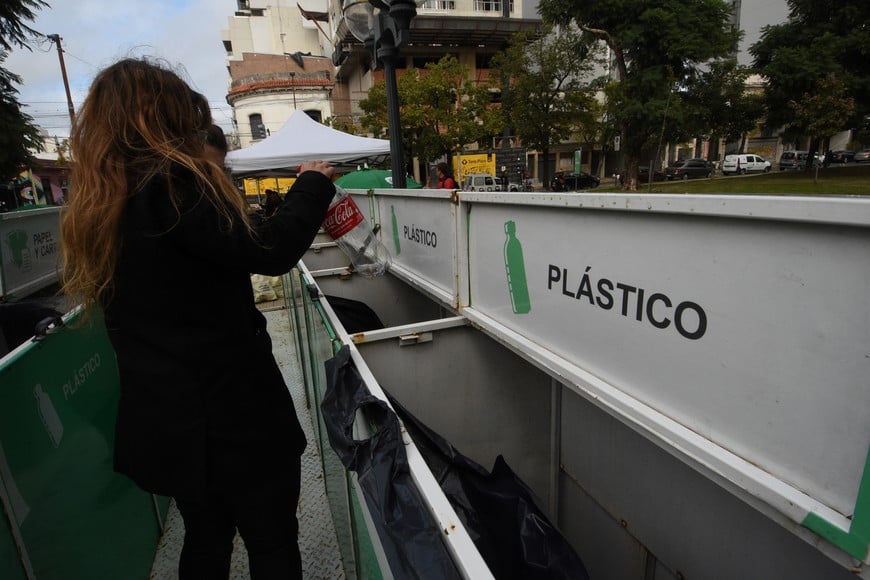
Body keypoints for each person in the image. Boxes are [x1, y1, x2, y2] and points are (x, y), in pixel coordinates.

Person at [60, 57, 336, 579]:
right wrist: (312, 186)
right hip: (233, 415)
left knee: (206, 540)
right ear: (161, 116)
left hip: (169, 422)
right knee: (272, 540)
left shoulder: (101, 202)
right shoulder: (173, 185)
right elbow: (270, 250)